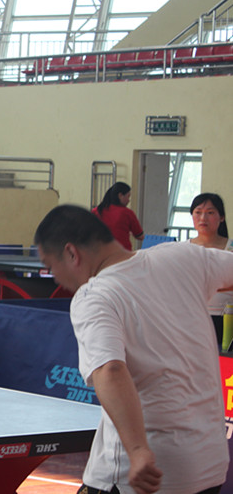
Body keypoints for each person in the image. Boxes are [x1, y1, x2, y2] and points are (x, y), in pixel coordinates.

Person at [34, 205, 232, 494]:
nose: (55, 278)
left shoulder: (94, 296)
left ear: (72, 253)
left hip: (143, 472)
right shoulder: (183, 256)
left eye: (51, 267)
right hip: (208, 467)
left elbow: (110, 369)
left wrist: (138, 450)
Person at [188, 192, 233, 345]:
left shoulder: (231, 248)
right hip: (190, 319)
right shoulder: (181, 249)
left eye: (210, 213)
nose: (203, 218)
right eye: (198, 212)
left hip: (225, 320)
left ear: (222, 217)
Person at [92, 182, 144, 250]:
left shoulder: (96, 211)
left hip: (100, 252)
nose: (129, 200)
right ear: (120, 195)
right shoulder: (127, 213)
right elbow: (140, 236)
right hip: (122, 253)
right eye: (128, 196)